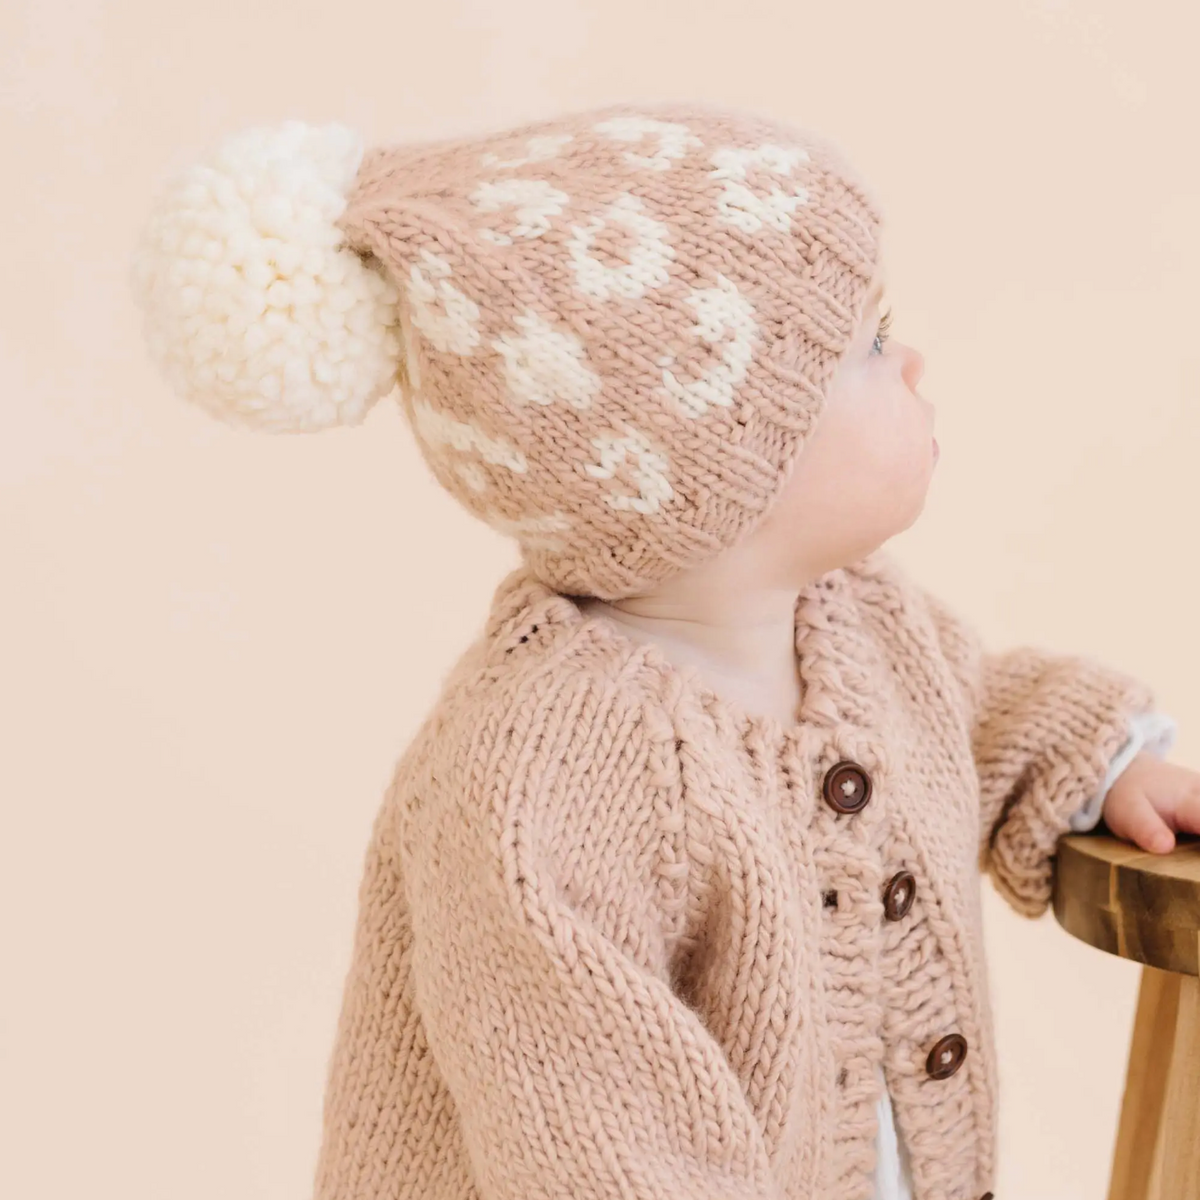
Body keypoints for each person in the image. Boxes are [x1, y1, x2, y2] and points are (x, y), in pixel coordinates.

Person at [129, 100, 1197, 1200]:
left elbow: (972, 717)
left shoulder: (855, 620)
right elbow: (600, 1142)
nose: (915, 363)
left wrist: (1108, 767)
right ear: (721, 463)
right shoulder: (540, 780)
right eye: (870, 345)